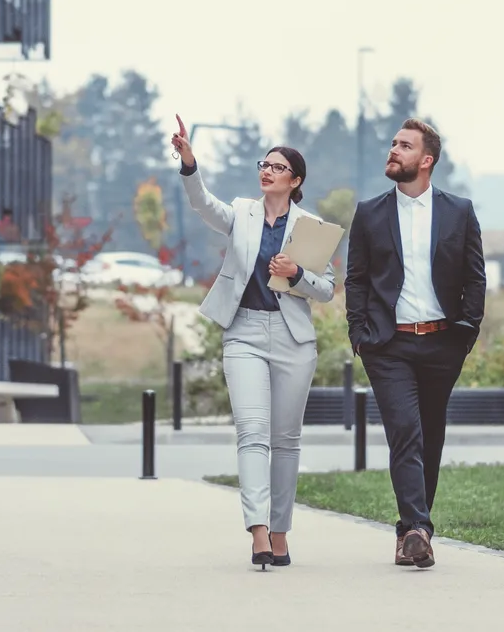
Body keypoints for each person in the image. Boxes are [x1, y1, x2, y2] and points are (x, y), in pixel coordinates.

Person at [170, 115, 337, 570]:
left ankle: (281, 534)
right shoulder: (241, 211)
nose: (266, 171)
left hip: (292, 338)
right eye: (264, 164)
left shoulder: (311, 227)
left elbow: (326, 289)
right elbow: (204, 205)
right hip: (242, 331)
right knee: (252, 433)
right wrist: (190, 164)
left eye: (277, 167)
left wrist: (296, 274)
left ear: (295, 180)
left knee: (285, 441)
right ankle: (258, 532)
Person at [344, 118, 485, 569]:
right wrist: (359, 334)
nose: (393, 150)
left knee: (430, 437)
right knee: (405, 431)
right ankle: (421, 530)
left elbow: (474, 276)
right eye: (392, 144)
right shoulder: (370, 212)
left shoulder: (459, 211)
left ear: (426, 160)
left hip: (443, 342)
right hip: (389, 345)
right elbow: (357, 279)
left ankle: (408, 533)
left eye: (404, 146)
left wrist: (467, 330)